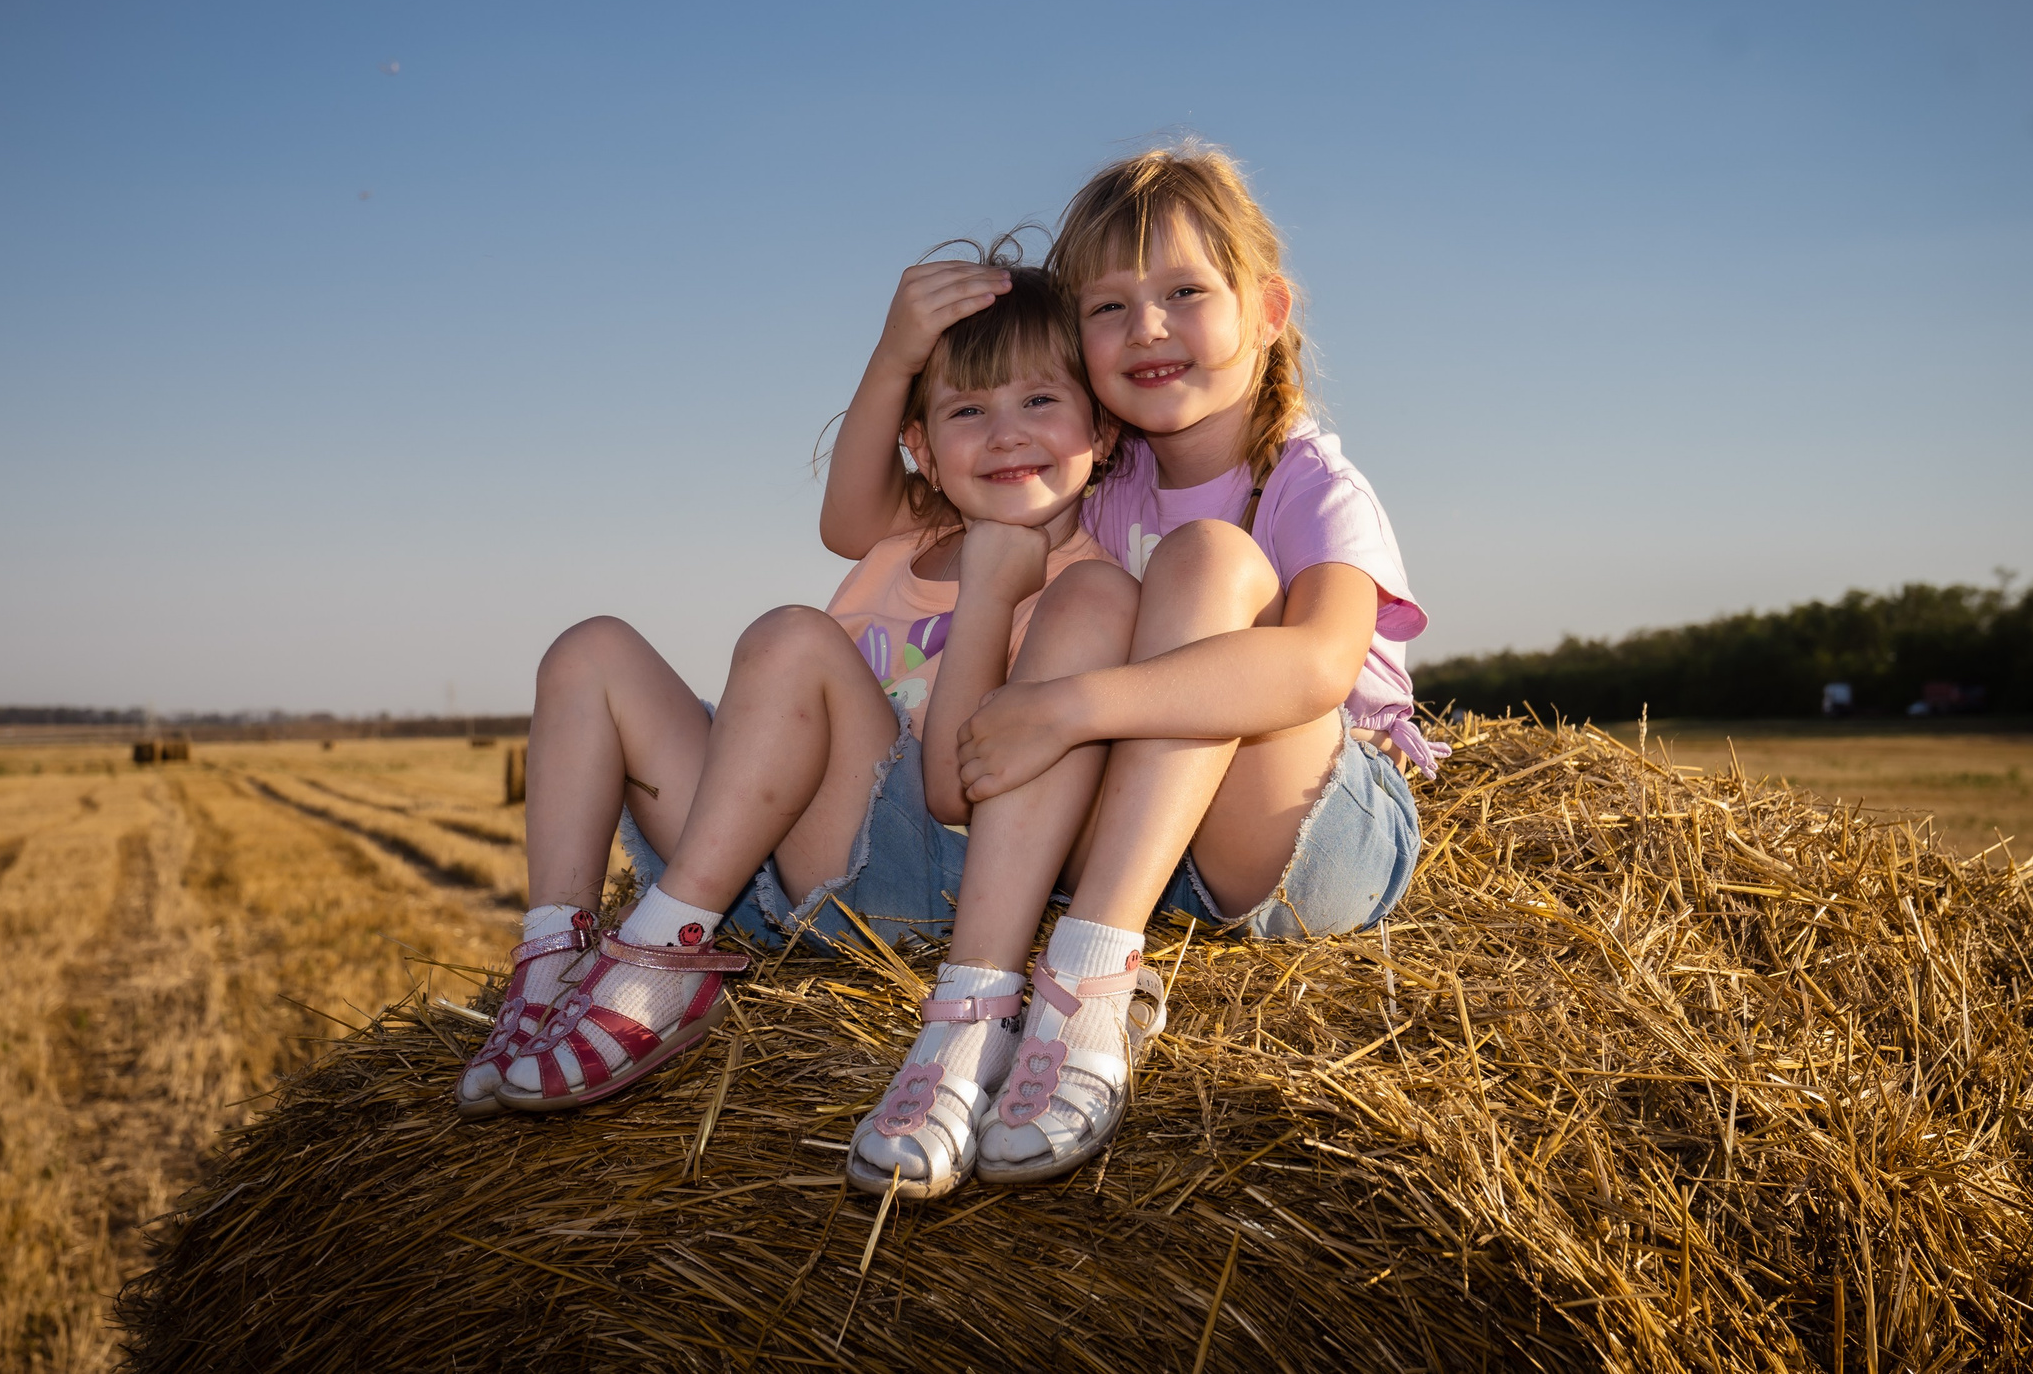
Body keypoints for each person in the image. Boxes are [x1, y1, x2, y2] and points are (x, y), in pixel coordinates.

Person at [843, 144, 1439, 1196]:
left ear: (1266, 308)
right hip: (1156, 846)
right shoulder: (1098, 481)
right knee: (1084, 596)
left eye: (1183, 293)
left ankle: (1088, 976)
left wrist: (1071, 706)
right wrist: (897, 359)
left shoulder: (1306, 480)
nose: (1148, 329)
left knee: (1206, 562)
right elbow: (861, 519)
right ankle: (970, 1005)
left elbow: (1311, 668)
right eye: (1108, 307)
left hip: (1304, 826)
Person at [455, 249, 1123, 1117]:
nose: (1005, 432)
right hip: (764, 862)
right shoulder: (905, 530)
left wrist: (994, 591)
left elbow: (959, 795)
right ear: (917, 444)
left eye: (1040, 400)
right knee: (589, 651)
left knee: (792, 640)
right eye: (968, 409)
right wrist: (894, 352)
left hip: (909, 889)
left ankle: (661, 953)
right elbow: (839, 515)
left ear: (1100, 432)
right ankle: (556, 960)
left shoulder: (1082, 588)